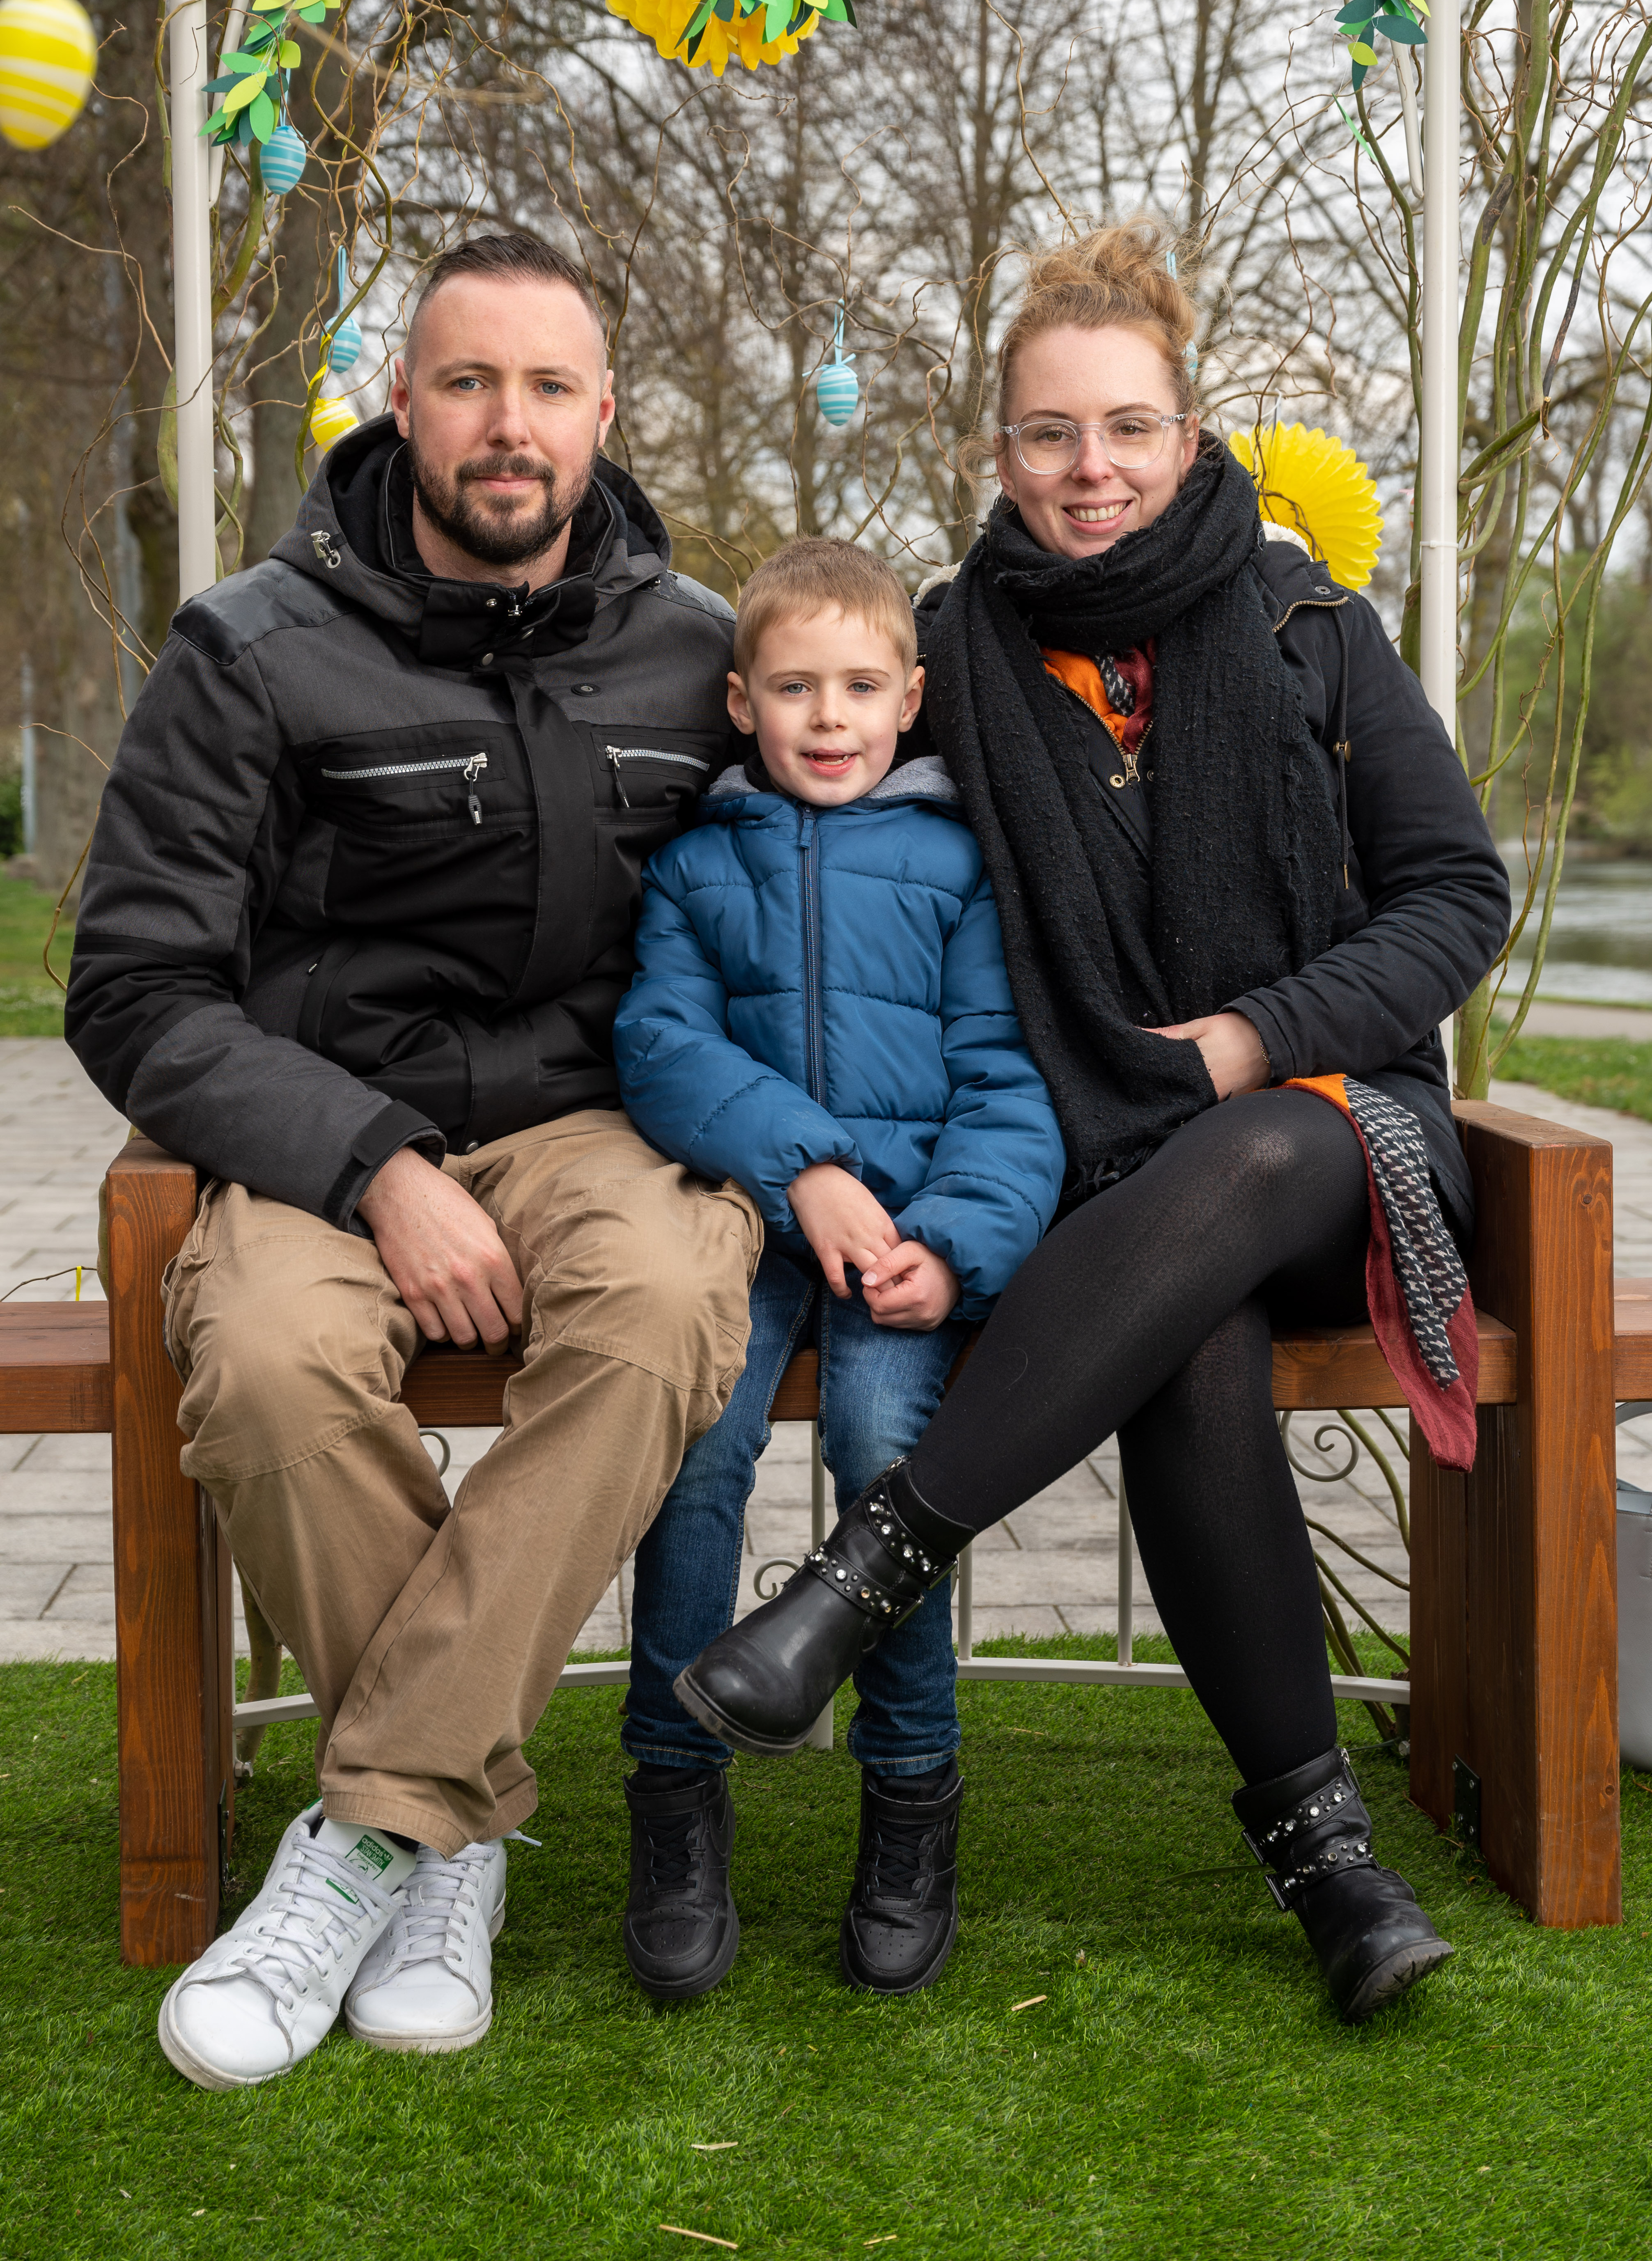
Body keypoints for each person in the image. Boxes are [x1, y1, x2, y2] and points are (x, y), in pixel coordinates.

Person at [672, 222, 1513, 2026]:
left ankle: (865, 1572)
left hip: (1340, 1146)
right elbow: (826, 858)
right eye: (1051, 434)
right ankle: (1331, 1871)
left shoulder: (1310, 630)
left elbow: (1455, 898)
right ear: (1001, 449)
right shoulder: (946, 657)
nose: (1091, 469)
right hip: (1114, 1186)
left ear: (1190, 437)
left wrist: (1251, 1039)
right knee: (1191, 1330)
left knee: (1259, 1140)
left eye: (1129, 428)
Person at [65, 233, 761, 2088]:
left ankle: (375, 1831)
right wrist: (373, 1164)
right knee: (270, 1366)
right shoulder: (249, 648)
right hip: (320, 1126)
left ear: (605, 414)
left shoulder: (701, 654)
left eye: (548, 387)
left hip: (602, 1122)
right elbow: (131, 986)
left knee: (666, 1299)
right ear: (402, 401)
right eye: (468, 383)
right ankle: (448, 1842)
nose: (507, 426)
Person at [609, 539, 1066, 2000]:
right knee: (697, 1448)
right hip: (751, 1221)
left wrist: (956, 1243)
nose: (829, 717)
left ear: (910, 700)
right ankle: (675, 1796)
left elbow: (1008, 1080)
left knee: (883, 1448)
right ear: (741, 702)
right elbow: (661, 1049)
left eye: (862, 687)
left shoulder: (959, 865)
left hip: (908, 1235)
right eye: (795, 687)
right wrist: (801, 1164)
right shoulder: (696, 864)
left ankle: (912, 1797)